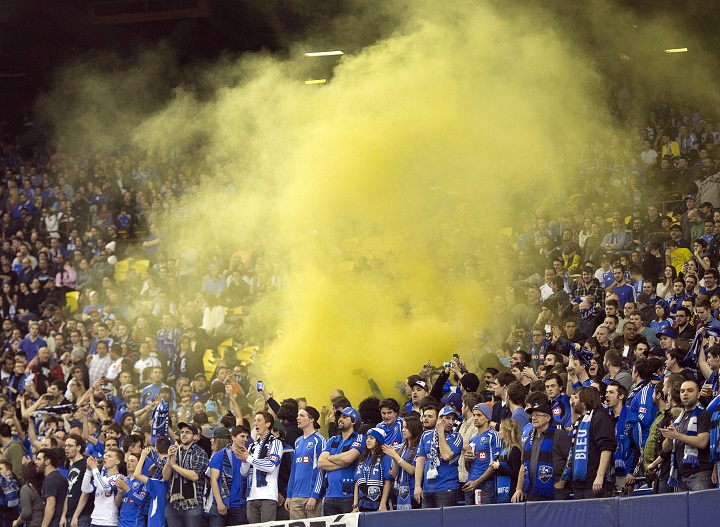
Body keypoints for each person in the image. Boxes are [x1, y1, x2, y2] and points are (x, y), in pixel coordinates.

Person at [562, 387, 617, 499]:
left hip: (596, 484)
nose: (573, 401)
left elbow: (606, 448)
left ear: (584, 402)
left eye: (576, 398)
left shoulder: (600, 417)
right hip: (580, 485)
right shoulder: (581, 421)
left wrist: (600, 476)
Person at [660, 379, 714, 490]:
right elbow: (666, 449)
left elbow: (702, 442)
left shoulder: (704, 414)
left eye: (690, 391)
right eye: (682, 391)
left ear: (698, 394)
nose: (685, 394)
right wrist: (669, 437)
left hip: (700, 474)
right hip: (681, 475)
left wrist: (677, 435)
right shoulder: (678, 418)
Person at [512, 401, 571, 502]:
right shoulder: (529, 440)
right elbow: (523, 465)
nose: (533, 418)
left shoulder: (559, 435)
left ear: (548, 418)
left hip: (554, 492)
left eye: (537, 415)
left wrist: (562, 482)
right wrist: (518, 489)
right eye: (532, 415)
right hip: (532, 493)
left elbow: (570, 458)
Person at [414, 406, 463, 508]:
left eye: (453, 419)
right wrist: (417, 486)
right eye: (447, 418)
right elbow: (420, 461)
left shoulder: (456, 437)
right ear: (439, 419)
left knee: (445, 522)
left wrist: (440, 433)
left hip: (447, 487)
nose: (450, 422)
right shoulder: (426, 435)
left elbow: (446, 455)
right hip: (428, 488)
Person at [238, 411, 283, 523]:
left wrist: (249, 459)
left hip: (268, 495)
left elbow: (271, 465)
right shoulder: (253, 445)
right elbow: (244, 473)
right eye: (255, 421)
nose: (255, 424)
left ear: (267, 424)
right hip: (251, 496)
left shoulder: (275, 443)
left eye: (259, 420)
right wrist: (244, 461)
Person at [162, 422, 209, 527]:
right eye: (182, 432)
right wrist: (169, 460)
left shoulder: (200, 453)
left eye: (187, 432)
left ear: (195, 436)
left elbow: (194, 476)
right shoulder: (175, 451)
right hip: (174, 504)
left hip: (193, 504)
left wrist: (174, 465)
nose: (183, 434)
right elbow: (165, 477)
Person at [319, 407, 364, 515]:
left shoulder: (359, 438)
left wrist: (330, 457)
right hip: (329, 496)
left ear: (353, 421)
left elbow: (348, 458)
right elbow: (320, 462)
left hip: (348, 496)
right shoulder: (332, 440)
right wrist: (344, 462)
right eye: (339, 417)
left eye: (344, 417)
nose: (340, 419)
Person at [285, 406, 326, 520]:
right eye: (298, 415)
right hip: (295, 497)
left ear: (311, 419)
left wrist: (315, 495)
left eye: (302, 415)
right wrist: (289, 495)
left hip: (310, 497)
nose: (298, 418)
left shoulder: (320, 440)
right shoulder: (297, 441)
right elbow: (294, 470)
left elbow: (321, 470)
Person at [208, 426, 247, 526]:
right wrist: (219, 502)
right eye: (242, 436)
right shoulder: (219, 455)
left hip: (240, 505)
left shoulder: (249, 457)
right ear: (233, 437)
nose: (245, 439)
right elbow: (213, 480)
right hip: (221, 503)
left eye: (247, 437)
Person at [462, 403, 499, 505]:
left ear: (487, 418)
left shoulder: (493, 436)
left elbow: (495, 464)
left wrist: (477, 482)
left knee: (484, 517)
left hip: (486, 485)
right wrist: (466, 459)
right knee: (469, 518)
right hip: (470, 483)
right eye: (474, 415)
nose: (475, 418)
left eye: (479, 415)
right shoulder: (473, 440)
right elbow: (468, 468)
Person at [383, 415, 422, 510]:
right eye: (403, 427)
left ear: (413, 429)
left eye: (406, 427)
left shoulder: (419, 446)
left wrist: (396, 456)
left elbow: (413, 470)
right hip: (400, 491)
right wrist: (394, 459)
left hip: (413, 492)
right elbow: (394, 474)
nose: (403, 430)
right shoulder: (403, 447)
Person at [80, 447, 124, 527]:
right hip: (94, 520)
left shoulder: (120, 478)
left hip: (109, 522)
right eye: (105, 455)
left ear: (117, 461)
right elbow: (85, 489)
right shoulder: (101, 478)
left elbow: (105, 488)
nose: (105, 457)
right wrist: (88, 471)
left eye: (109, 456)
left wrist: (94, 469)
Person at [352, 428, 393, 512]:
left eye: (371, 438)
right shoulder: (363, 458)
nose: (368, 440)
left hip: (378, 504)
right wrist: (355, 505)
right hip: (362, 503)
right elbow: (357, 482)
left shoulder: (385, 457)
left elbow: (387, 482)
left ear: (378, 441)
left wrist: (383, 504)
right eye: (367, 438)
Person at [63, 434, 94, 527]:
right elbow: (69, 491)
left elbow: (86, 492)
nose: (66, 449)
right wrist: (64, 515)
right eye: (65, 446)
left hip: (83, 515)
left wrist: (76, 516)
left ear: (78, 447)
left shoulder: (86, 463)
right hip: (70, 514)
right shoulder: (71, 465)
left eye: (70, 446)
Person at [36, 448, 67, 527]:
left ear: (47, 462)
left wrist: (44, 525)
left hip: (54, 522)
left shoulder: (50, 479)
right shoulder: (59, 477)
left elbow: (51, 505)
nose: (36, 462)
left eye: (39, 459)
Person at [18, 463, 44, 527]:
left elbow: (26, 513)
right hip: (46, 522)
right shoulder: (45, 486)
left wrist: (16, 522)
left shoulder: (26, 489)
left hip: (33, 523)